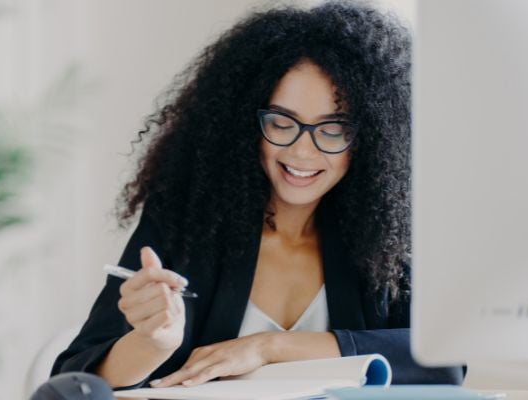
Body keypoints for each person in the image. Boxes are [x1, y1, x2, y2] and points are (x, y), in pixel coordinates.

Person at [51, 0, 464, 389]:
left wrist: (267, 348)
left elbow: (444, 361)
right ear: (245, 122)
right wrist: (153, 344)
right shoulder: (187, 221)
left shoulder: (386, 242)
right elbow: (75, 378)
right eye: (282, 122)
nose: (303, 151)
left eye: (333, 129)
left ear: (372, 139)